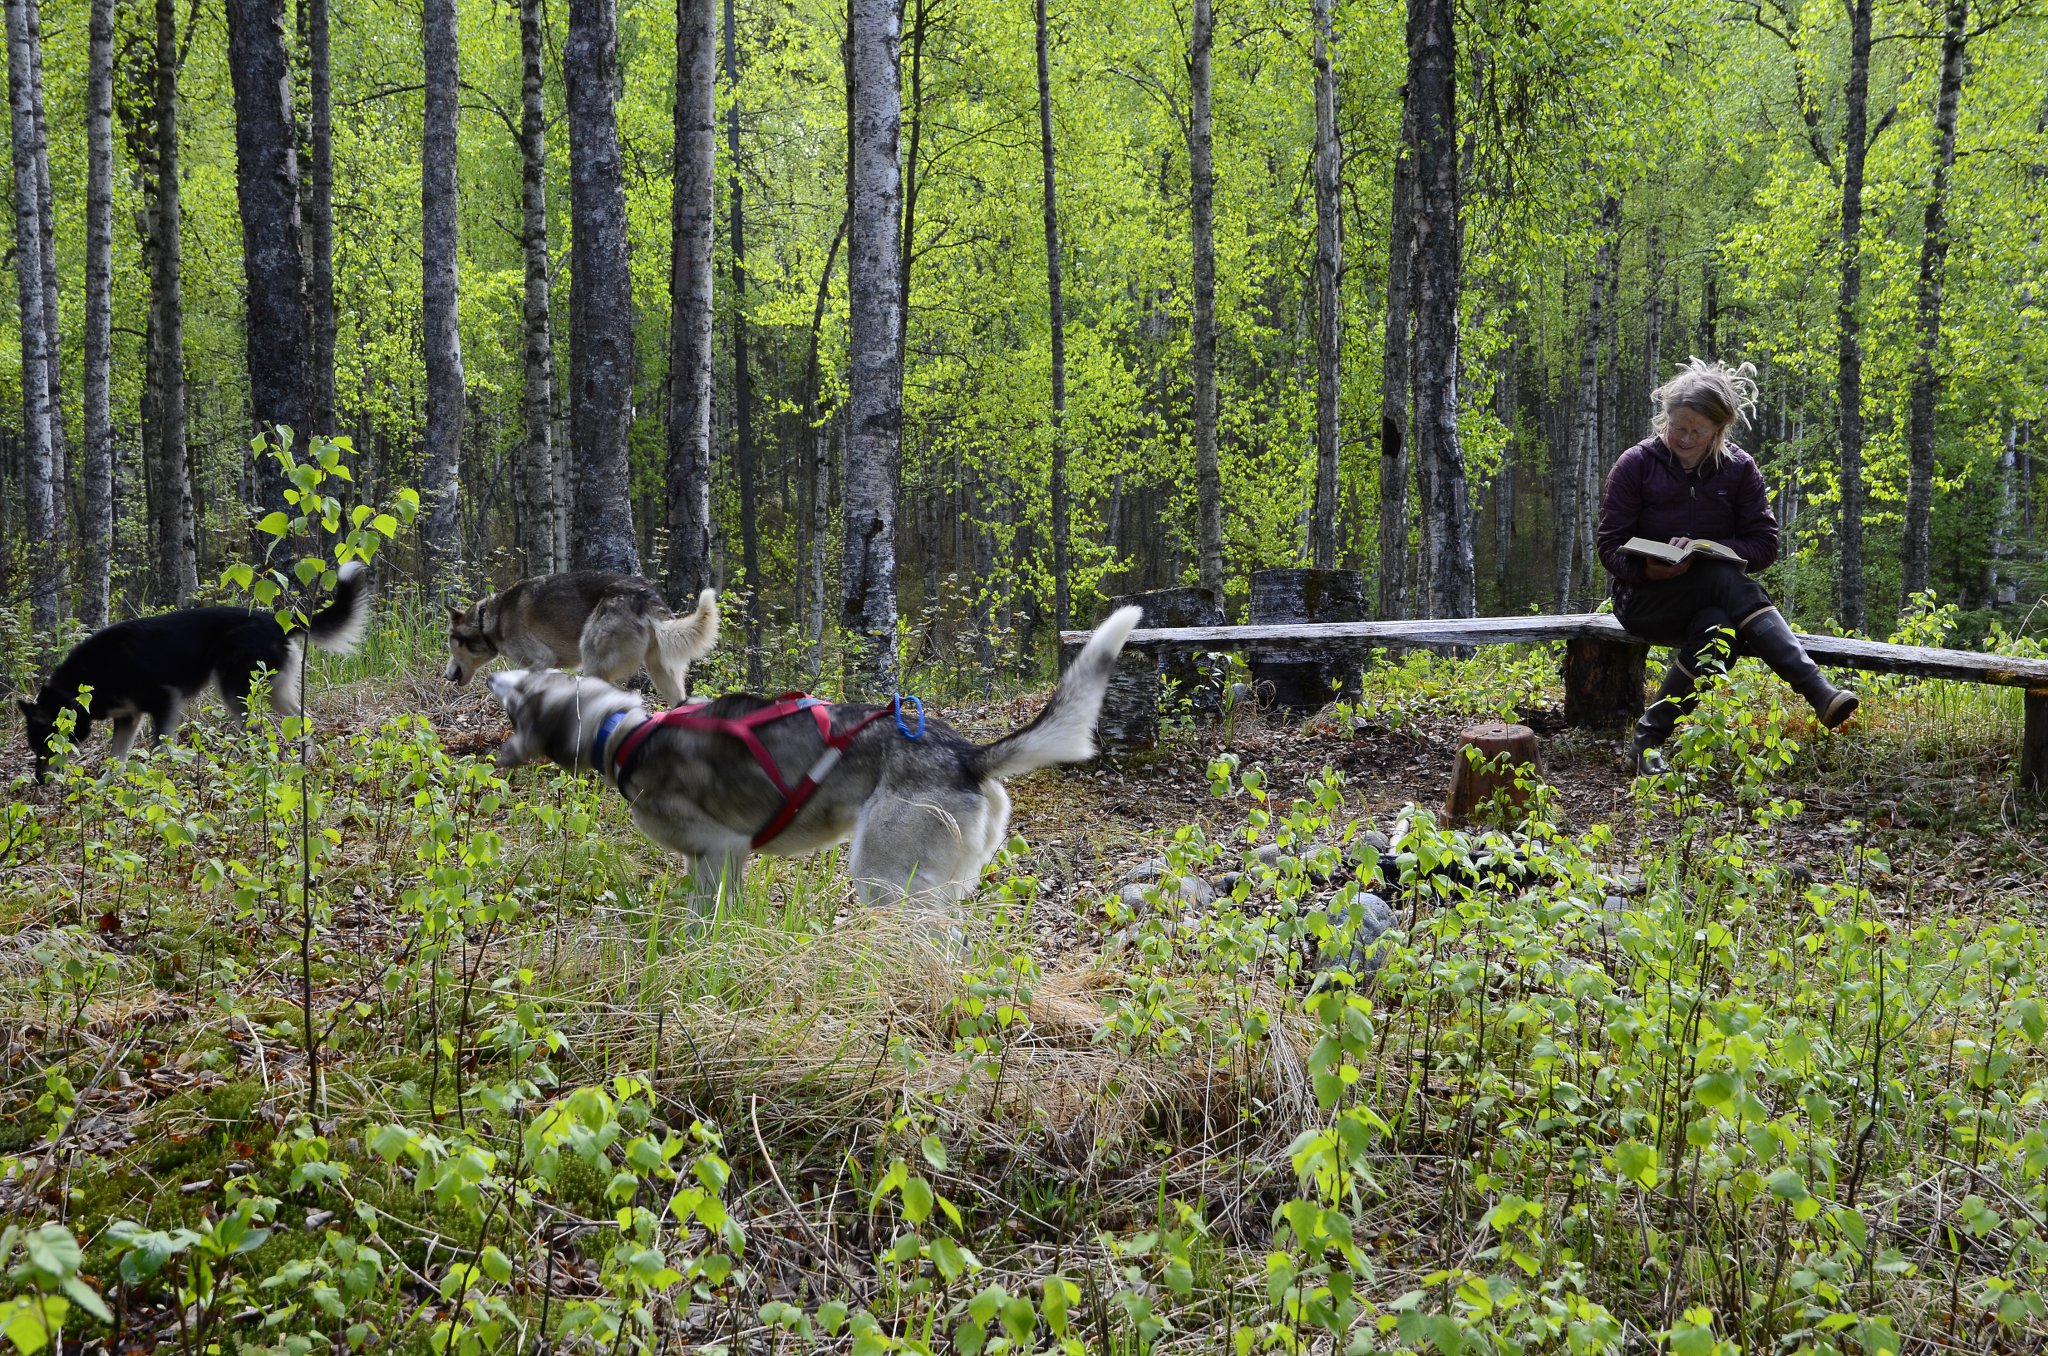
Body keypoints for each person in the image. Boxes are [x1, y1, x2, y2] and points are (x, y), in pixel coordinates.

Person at [1597, 357, 1857, 772]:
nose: (1683, 438)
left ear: (1719, 428)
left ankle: (1647, 742)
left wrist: (1712, 547)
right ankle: (1817, 690)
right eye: (1676, 427)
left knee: (1721, 625)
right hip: (1643, 599)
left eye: (1696, 431)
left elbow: (1765, 545)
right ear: (1665, 418)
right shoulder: (1636, 464)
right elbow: (1609, 547)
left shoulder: (1738, 468)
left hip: (1708, 601)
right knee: (1722, 581)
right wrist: (1647, 569)